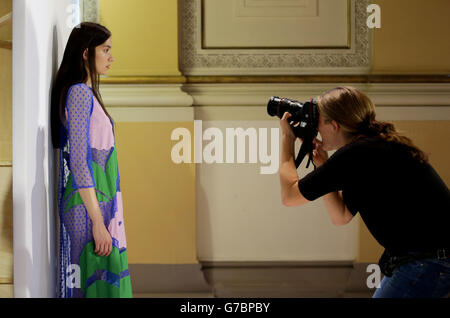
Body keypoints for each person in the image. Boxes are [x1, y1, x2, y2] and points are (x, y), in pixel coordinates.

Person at [279, 86, 450, 298]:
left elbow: (290, 196)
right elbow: (341, 216)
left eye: (319, 122)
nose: (316, 129)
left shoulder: (357, 153)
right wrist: (323, 164)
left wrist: (287, 140)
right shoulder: (373, 146)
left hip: (424, 262)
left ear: (334, 125)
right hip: (429, 261)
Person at [51, 22, 132, 298]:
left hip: (99, 201)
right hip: (88, 207)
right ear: (86, 52)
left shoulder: (87, 94)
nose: (111, 57)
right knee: (93, 289)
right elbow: (80, 162)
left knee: (103, 287)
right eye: (105, 50)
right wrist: (98, 221)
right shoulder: (79, 93)